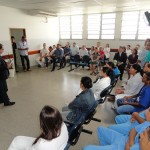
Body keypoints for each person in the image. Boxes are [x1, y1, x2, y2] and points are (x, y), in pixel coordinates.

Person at [83, 121, 150, 150]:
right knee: (100, 129)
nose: (142, 133)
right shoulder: (147, 124)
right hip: (123, 138)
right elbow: (133, 130)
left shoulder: (145, 146)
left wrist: (129, 142)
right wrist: (131, 142)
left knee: (86, 148)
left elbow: (127, 149)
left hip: (120, 147)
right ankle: (106, 146)